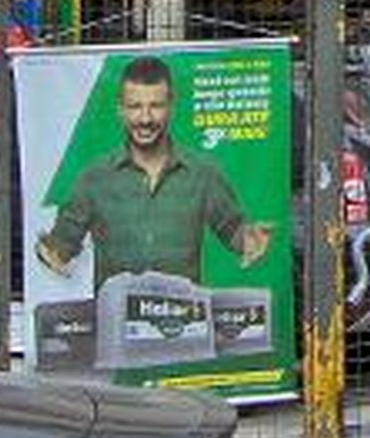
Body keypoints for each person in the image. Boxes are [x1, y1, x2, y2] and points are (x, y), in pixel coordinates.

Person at [34, 55, 275, 284]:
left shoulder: (204, 174)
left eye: (155, 106)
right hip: (116, 319)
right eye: (135, 106)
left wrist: (250, 240)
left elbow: (233, 231)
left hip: (186, 319)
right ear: (121, 109)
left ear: (171, 106)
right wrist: (50, 251)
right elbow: (61, 247)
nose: (145, 118)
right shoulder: (94, 178)